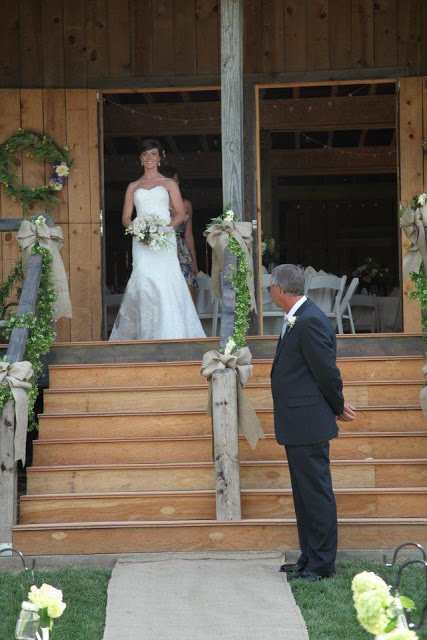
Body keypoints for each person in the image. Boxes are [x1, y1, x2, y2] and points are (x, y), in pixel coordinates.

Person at [269, 264, 356, 582]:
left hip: (308, 421)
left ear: (279, 289)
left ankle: (321, 564)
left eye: (269, 288)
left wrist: (337, 405)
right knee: (304, 493)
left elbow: (326, 371)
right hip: (298, 422)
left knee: (316, 493)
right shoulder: (298, 318)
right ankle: (308, 557)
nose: (269, 293)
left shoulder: (310, 321)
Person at [109, 139, 206, 341]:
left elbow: (180, 214)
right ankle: (146, 332)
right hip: (141, 242)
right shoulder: (133, 186)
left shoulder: (169, 183)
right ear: (140, 159)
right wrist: (138, 232)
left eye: (153, 154)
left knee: (165, 281)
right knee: (144, 281)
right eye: (145, 154)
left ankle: (170, 332)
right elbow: (126, 218)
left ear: (160, 157)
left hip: (164, 240)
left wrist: (163, 230)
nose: (149, 158)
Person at [161, 166, 198, 303]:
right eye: (171, 180)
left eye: (176, 181)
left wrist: (194, 261)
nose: (174, 184)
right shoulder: (158, 204)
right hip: (163, 248)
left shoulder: (186, 204)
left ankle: (191, 322)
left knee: (189, 289)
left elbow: (188, 234)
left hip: (182, 249)